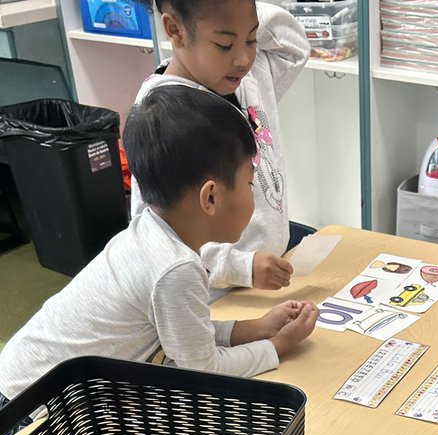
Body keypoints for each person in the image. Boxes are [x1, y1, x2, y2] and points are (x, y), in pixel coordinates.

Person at [0, 88, 318, 404]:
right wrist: (278, 346)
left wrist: (257, 328)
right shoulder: (175, 269)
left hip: (21, 381)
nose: (253, 194)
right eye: (249, 183)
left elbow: (187, 337)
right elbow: (203, 371)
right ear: (211, 198)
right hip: (28, 410)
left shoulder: (150, 232)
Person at [132, 0, 309, 293]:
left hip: (269, 277)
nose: (242, 58)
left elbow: (294, 44)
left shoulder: (249, 77)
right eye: (224, 44)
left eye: (252, 39)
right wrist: (240, 267)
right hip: (212, 295)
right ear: (175, 29)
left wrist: (237, 13)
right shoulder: (161, 116)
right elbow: (154, 243)